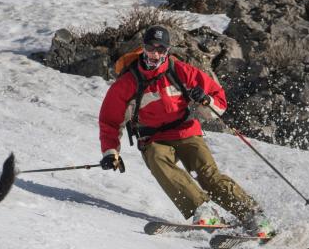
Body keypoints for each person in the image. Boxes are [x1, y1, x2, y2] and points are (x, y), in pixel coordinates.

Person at [97, 24, 273, 235]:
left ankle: (253, 215)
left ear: (167, 51)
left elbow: (219, 101)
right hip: (153, 137)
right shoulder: (127, 83)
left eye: (161, 49)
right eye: (151, 48)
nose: (155, 54)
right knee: (157, 159)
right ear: (143, 48)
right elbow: (110, 120)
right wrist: (111, 152)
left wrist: (204, 100)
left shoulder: (181, 71)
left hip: (185, 130)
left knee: (207, 174)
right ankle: (202, 208)